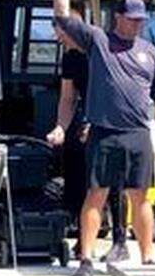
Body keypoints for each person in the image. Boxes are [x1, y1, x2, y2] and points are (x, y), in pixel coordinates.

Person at [52, 0, 155, 276]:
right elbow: (63, 17)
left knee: (140, 196)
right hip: (104, 133)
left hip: (138, 133)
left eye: (141, 20)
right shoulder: (97, 40)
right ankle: (86, 258)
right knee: (96, 194)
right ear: (119, 18)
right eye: (132, 19)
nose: (137, 25)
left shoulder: (151, 53)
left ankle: (148, 257)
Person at [47, 14, 130, 263]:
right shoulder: (71, 57)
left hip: (113, 117)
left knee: (113, 179)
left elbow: (117, 91)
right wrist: (61, 127)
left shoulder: (103, 51)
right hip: (87, 114)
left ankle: (120, 241)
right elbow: (68, 97)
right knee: (77, 170)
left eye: (61, 33)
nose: (58, 38)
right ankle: (83, 236)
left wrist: (94, 123)